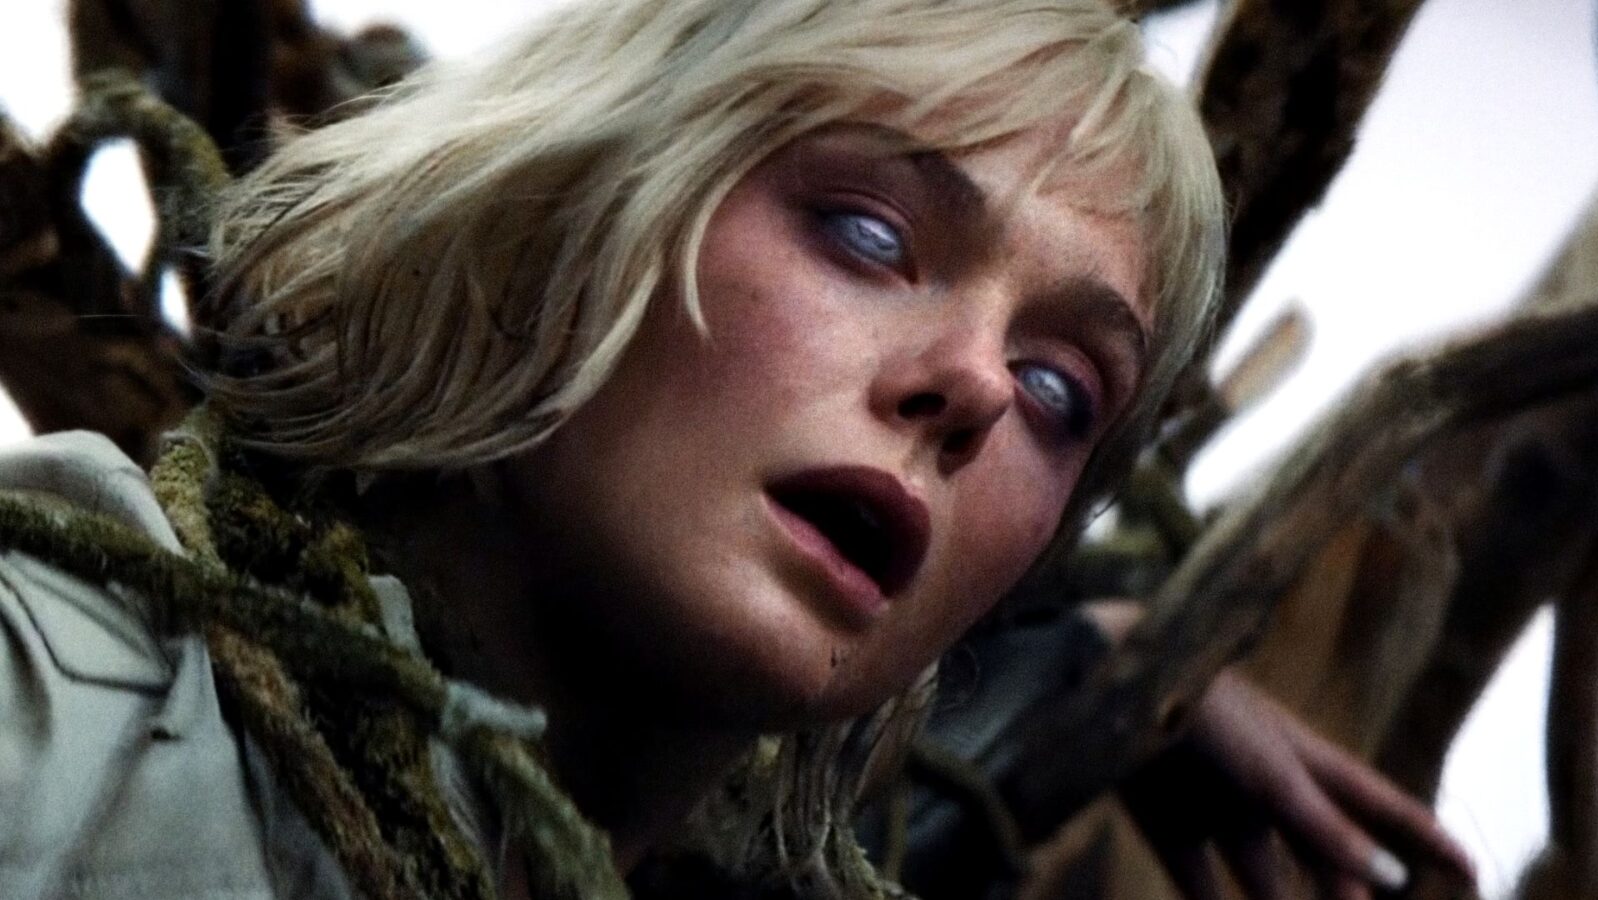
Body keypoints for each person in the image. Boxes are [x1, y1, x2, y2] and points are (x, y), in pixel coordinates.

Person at [0, 0, 1470, 898]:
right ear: (570, 215)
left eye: (1060, 390)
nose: (976, 386)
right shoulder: (56, 707)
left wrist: (1106, 670)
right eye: (869, 235)